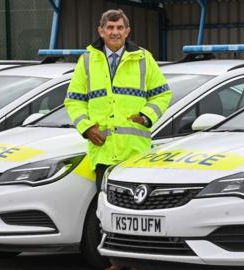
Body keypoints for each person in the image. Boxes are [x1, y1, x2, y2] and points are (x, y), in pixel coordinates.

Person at [64, 9, 172, 270]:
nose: (115, 32)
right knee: (108, 212)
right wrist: (87, 128)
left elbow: (162, 95)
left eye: (119, 28)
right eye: (110, 28)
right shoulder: (88, 60)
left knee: (138, 212)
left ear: (127, 31)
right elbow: (74, 101)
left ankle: (141, 260)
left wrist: (145, 116)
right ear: (101, 31)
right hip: (103, 152)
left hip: (135, 152)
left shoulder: (143, 59)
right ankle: (116, 261)